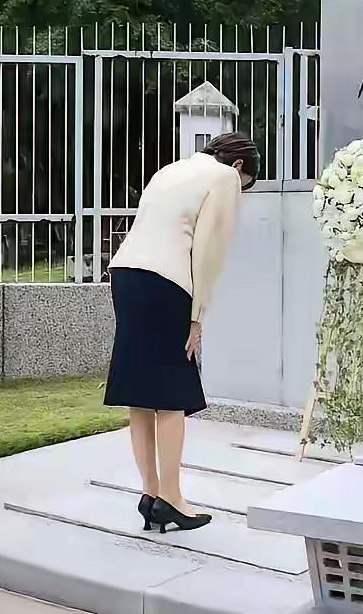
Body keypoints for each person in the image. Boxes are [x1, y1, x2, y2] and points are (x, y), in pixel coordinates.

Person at [104, 132, 258, 533]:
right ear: (239, 166)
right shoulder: (224, 177)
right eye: (246, 188)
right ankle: (172, 498)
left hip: (126, 274)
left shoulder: (172, 169)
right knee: (171, 391)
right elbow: (208, 249)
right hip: (166, 281)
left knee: (140, 393)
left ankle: (150, 494)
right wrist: (197, 316)